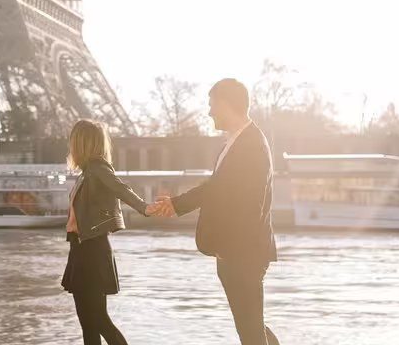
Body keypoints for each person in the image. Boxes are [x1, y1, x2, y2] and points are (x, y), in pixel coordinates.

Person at [148, 78, 281, 345]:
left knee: (251, 331)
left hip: (243, 254)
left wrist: (230, 249)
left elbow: (246, 203)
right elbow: (217, 188)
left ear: (225, 103)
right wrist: (176, 204)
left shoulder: (251, 144)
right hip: (235, 253)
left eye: (212, 105)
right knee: (251, 326)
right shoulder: (236, 142)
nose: (209, 112)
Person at [62, 119, 150, 345]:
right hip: (80, 249)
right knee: (87, 322)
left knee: (99, 320)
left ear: (82, 143)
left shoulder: (98, 169)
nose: (70, 147)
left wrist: (145, 207)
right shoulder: (85, 173)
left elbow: (120, 188)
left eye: (73, 142)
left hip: (92, 250)